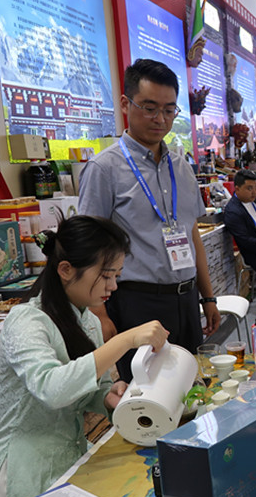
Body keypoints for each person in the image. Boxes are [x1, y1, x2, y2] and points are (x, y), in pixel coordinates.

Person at [0, 216, 169, 497]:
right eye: (106, 276)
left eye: (116, 275)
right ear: (65, 270)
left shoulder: (86, 319)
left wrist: (108, 396)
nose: (113, 286)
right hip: (23, 473)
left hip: (70, 459)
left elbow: (88, 389)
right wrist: (124, 340)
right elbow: (52, 389)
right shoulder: (25, 321)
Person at [78, 59, 220, 382]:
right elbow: (88, 247)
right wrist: (99, 314)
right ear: (125, 104)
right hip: (136, 303)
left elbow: (192, 234)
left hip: (186, 300)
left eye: (169, 110)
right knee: (146, 397)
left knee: (191, 389)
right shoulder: (104, 169)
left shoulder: (181, 168)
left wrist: (208, 297)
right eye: (150, 108)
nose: (160, 119)